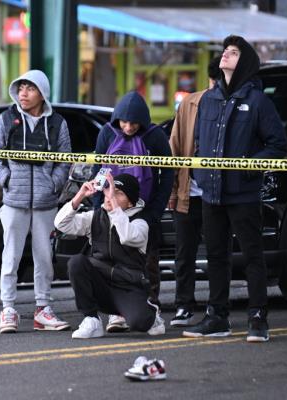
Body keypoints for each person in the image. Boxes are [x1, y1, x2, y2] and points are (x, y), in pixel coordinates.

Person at [183, 36, 287, 342]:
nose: (226, 55)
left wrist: (249, 165)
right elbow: (201, 143)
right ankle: (217, 317)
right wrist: (201, 171)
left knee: (253, 255)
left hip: (243, 193)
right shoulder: (209, 99)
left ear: (246, 62)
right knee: (216, 256)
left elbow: (278, 145)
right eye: (225, 51)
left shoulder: (257, 101)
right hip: (211, 193)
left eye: (234, 52)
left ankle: (258, 318)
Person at [0, 70, 72, 334]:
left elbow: (65, 158)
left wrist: (55, 184)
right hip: (14, 200)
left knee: (45, 257)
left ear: (42, 93)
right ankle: (8, 309)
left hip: (46, 203)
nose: (23, 93)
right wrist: (5, 178)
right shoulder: (7, 119)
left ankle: (43, 309)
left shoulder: (58, 123)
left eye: (30, 88)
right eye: (21, 88)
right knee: (10, 256)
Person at [93, 91, 173, 333]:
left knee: (147, 262)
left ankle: (151, 307)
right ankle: (116, 313)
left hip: (144, 209)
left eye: (133, 123)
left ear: (143, 121)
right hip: (110, 206)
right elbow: (98, 168)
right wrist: (99, 207)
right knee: (111, 260)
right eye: (123, 122)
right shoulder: (107, 132)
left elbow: (167, 172)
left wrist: (156, 209)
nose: (127, 127)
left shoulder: (154, 136)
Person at [55, 172, 166, 339]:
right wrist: (79, 196)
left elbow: (127, 236)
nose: (109, 196)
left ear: (131, 202)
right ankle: (91, 319)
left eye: (118, 193)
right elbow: (61, 224)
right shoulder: (96, 216)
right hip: (101, 286)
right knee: (76, 262)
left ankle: (151, 313)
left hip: (128, 288)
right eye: (108, 191)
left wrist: (113, 206)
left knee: (140, 323)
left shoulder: (140, 222)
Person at [167, 57, 222, 327]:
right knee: (184, 252)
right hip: (190, 191)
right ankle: (183, 305)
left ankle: (216, 307)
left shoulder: (232, 104)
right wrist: (174, 192)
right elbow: (175, 146)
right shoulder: (190, 104)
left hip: (218, 193)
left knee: (217, 252)